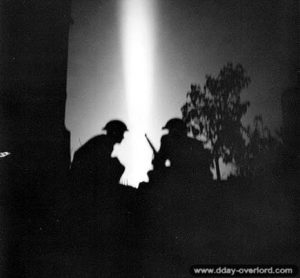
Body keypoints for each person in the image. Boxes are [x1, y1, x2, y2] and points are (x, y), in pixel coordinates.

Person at [70, 120, 128, 207]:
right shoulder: (104, 142)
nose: (123, 137)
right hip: (83, 177)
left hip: (84, 174)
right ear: (115, 132)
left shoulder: (104, 141)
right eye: (122, 133)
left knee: (116, 164)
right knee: (117, 165)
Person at [149, 118, 212, 184]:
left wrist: (157, 160)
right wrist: (157, 159)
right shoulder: (195, 143)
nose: (169, 133)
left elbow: (203, 167)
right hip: (180, 175)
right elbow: (160, 160)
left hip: (189, 177)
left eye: (171, 130)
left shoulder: (194, 145)